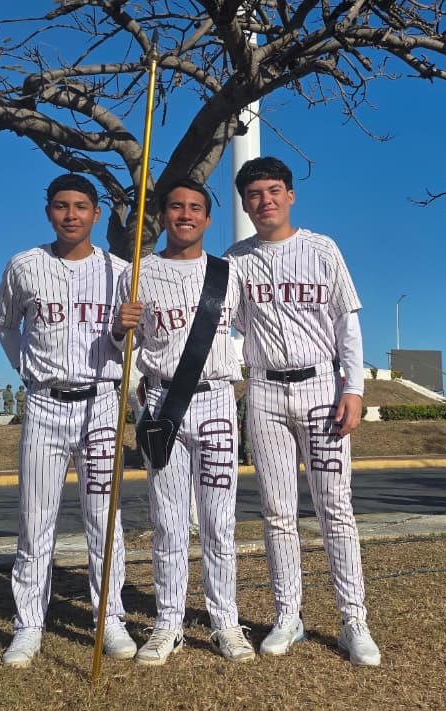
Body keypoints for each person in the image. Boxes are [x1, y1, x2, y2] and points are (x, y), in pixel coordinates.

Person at [223, 156, 381, 666]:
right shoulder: (234, 261)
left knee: (335, 506)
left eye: (273, 191)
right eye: (254, 194)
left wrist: (353, 388)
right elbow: (224, 325)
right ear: (244, 204)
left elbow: (347, 323)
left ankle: (353, 620)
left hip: (320, 388)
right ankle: (288, 615)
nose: (264, 201)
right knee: (277, 511)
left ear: (290, 195)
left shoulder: (322, 249)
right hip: (265, 391)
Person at [0, 173, 136, 668]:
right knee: (36, 520)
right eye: (60, 205)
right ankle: (29, 624)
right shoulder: (25, 265)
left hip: (101, 404)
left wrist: (121, 331)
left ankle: (109, 617)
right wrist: (26, 367)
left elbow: (125, 344)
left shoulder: (121, 272)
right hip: (46, 405)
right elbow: (4, 321)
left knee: (104, 519)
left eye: (80, 206)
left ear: (96, 213)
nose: (70, 215)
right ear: (48, 211)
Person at [115, 179, 255, 666]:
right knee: (168, 521)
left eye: (196, 207)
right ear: (163, 215)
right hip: (162, 406)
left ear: (208, 219)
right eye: (176, 206)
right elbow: (120, 346)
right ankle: (168, 623)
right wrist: (118, 328)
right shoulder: (137, 274)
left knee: (219, 522)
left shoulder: (228, 274)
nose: (186, 215)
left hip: (216, 401)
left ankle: (225, 622)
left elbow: (253, 329)